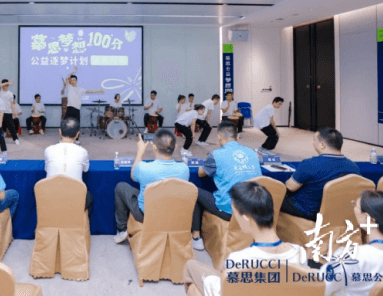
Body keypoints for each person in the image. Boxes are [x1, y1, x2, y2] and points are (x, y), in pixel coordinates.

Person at [184, 181, 308, 296]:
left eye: (235, 215)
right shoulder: (300, 253)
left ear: (245, 219)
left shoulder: (239, 259)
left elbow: (224, 291)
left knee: (191, 277)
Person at [321, 190, 383, 296]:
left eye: (355, 205)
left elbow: (319, 288)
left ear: (368, 219)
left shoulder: (351, 258)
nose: (353, 206)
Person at [191, 121, 262, 250]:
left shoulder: (216, 155)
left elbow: (201, 173)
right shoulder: (253, 152)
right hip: (254, 208)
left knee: (194, 191)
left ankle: (196, 237)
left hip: (231, 210)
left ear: (219, 137)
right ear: (237, 136)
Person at [113, 130, 190, 244]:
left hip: (146, 215)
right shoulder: (184, 169)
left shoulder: (144, 168)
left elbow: (133, 176)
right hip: (173, 214)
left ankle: (122, 230)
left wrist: (140, 152)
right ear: (176, 147)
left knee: (121, 187)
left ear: (154, 147)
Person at [281, 128, 360, 221]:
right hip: (337, 212)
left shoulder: (310, 164)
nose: (313, 143)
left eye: (314, 140)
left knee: (273, 195)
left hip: (308, 211)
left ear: (322, 145)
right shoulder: (354, 167)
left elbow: (290, 187)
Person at [43, 117, 92, 211]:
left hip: (51, 199)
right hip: (75, 200)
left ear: (60, 132)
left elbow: (46, 169)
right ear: (77, 134)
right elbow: (86, 169)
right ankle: (80, 219)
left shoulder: (48, 150)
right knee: (89, 196)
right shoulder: (82, 152)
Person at [61, 66, 105, 144]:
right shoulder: (69, 87)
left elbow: (89, 91)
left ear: (76, 81)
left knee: (77, 125)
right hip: (70, 108)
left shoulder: (80, 89)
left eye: (74, 80)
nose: (72, 81)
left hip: (77, 109)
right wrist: (73, 71)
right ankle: (65, 138)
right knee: (67, 124)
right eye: (71, 80)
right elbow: (67, 77)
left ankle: (76, 139)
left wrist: (98, 91)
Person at [0, 79, 20, 145]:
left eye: (7, 85)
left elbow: (12, 104)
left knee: (11, 127)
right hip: (0, 112)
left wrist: (14, 111)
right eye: (4, 85)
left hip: (8, 112)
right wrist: (7, 83)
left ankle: (16, 139)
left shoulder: (10, 93)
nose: (5, 86)